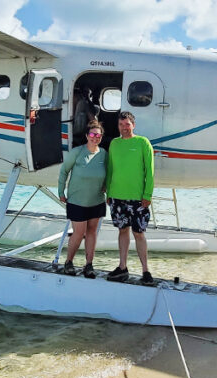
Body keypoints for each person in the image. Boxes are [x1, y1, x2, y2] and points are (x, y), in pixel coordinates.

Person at [105, 111, 155, 285]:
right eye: (121, 125)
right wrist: (109, 192)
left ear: (133, 125)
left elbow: (150, 171)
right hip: (117, 197)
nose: (124, 128)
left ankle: (146, 271)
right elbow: (110, 169)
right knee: (122, 231)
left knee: (138, 233)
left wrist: (147, 194)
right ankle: (122, 266)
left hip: (138, 199)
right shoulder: (114, 143)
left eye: (127, 124)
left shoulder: (143, 142)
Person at [57, 120, 108, 278]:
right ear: (87, 135)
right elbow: (64, 171)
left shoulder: (104, 154)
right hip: (77, 201)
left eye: (98, 135)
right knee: (79, 233)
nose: (95, 137)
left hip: (97, 201)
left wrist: (108, 190)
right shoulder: (77, 152)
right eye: (92, 134)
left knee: (92, 232)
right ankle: (68, 262)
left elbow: (107, 174)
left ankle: (89, 265)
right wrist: (61, 191)